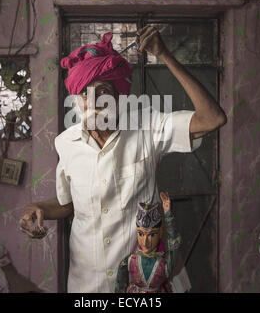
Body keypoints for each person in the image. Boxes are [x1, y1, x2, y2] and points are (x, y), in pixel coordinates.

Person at [19, 26, 227, 293]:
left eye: (103, 91)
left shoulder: (147, 127)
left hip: (143, 283)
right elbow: (68, 205)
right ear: (77, 100)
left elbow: (213, 119)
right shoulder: (67, 144)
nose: (93, 101)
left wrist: (165, 55)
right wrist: (37, 208)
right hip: (87, 285)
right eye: (84, 93)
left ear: (119, 96)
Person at [115, 192, 180, 293]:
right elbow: (119, 289)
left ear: (160, 232)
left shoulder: (164, 265)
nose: (145, 242)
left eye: (152, 235)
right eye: (141, 234)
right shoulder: (128, 262)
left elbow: (174, 244)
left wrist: (167, 213)